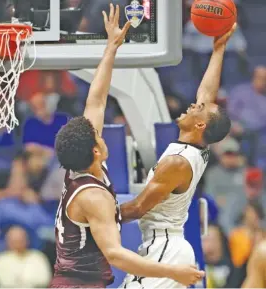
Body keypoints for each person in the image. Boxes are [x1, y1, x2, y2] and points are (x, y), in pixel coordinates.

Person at [50, 4, 204, 289]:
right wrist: (172, 272)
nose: (102, 136)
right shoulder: (93, 197)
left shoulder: (82, 168)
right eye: (98, 136)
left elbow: (95, 101)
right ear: (96, 151)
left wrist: (112, 47)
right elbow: (115, 254)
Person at [120, 24, 237, 288]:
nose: (193, 104)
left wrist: (96, 215)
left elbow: (138, 208)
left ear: (200, 126)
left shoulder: (177, 161)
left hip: (166, 249)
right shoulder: (198, 145)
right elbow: (207, 93)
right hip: (164, 246)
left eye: (198, 109)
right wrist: (218, 49)